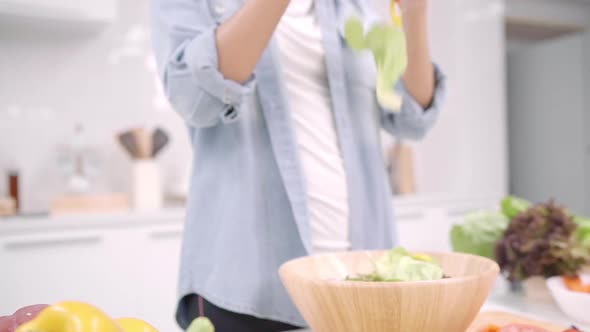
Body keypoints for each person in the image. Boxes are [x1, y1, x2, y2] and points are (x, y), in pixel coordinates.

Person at [151, 0, 445, 330]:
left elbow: (413, 118)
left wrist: (415, 11)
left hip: (359, 287)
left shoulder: (352, 9)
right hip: (249, 295)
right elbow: (191, 94)